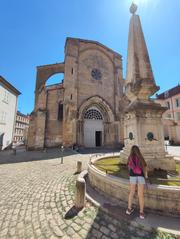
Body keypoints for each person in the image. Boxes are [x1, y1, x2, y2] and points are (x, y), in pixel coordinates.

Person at [126, 145, 148, 219]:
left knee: (131, 193)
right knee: (140, 195)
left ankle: (129, 209)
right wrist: (146, 176)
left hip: (132, 176)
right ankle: (141, 213)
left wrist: (130, 175)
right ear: (138, 150)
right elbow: (145, 167)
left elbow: (129, 167)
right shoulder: (141, 157)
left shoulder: (130, 158)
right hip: (140, 177)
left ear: (131, 150)